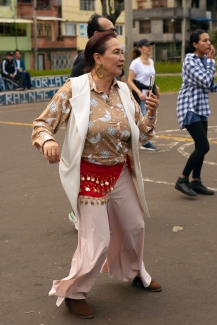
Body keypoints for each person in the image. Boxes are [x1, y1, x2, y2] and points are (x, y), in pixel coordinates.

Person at [31, 30, 161, 319]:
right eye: (116, 52)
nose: (122, 56)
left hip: (119, 172)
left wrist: (151, 113)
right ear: (97, 58)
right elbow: (42, 124)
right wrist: (48, 141)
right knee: (98, 239)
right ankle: (74, 292)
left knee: (135, 226)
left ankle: (134, 271)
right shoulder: (74, 89)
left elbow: (141, 135)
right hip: (89, 175)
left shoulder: (124, 91)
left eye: (122, 51)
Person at [68, 13, 124, 230]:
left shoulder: (111, 56)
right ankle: (77, 212)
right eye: (109, 30)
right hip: (90, 128)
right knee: (87, 170)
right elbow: (71, 93)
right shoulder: (84, 60)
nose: (114, 33)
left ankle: (101, 209)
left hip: (108, 124)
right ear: (96, 35)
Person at [175, 29, 217, 197]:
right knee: (203, 146)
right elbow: (206, 80)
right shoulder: (190, 60)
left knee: (200, 146)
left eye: (209, 40)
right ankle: (182, 179)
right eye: (204, 40)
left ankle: (196, 181)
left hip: (200, 108)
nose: (209, 43)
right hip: (189, 107)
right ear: (195, 44)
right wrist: (211, 61)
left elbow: (208, 86)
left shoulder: (204, 61)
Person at [70, 13, 125, 81]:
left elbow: (122, 81)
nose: (115, 34)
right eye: (111, 31)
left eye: (115, 30)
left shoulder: (116, 58)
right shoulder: (85, 59)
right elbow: (72, 88)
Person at [128, 39, 160, 151]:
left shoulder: (151, 62)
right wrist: (138, 92)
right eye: (146, 46)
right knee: (142, 117)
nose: (149, 48)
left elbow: (151, 78)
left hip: (150, 93)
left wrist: (156, 89)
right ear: (140, 49)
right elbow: (130, 80)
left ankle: (138, 138)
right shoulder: (135, 63)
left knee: (148, 116)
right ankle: (145, 142)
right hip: (140, 93)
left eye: (150, 46)